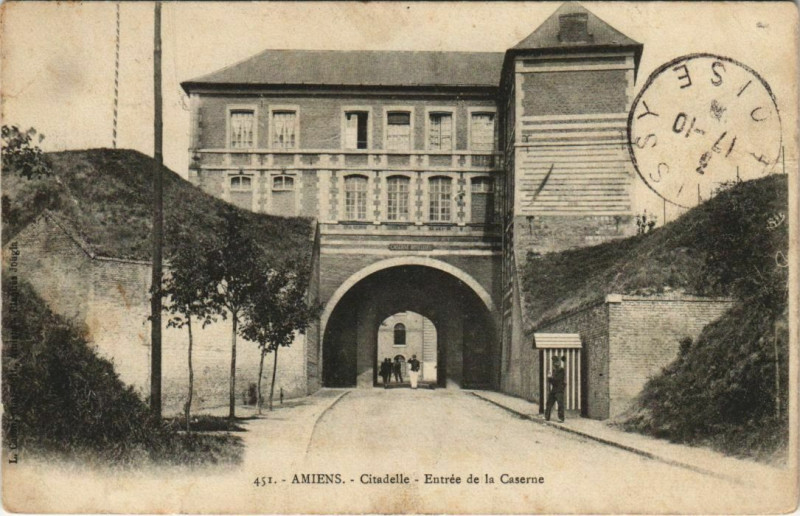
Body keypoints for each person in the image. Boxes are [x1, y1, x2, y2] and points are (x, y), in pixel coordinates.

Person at [545, 355, 566, 422]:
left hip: (559, 390)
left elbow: (557, 380)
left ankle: (561, 418)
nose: (555, 364)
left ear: (558, 363)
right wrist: (549, 378)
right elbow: (552, 382)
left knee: (560, 404)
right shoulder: (554, 371)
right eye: (554, 363)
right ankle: (547, 417)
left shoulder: (561, 371)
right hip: (554, 390)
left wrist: (551, 378)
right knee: (549, 403)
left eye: (556, 362)